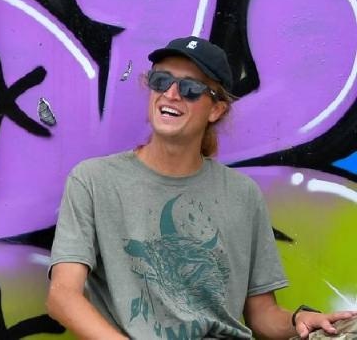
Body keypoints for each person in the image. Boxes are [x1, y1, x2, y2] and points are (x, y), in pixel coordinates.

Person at [46, 36, 356, 339]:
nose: (171, 93)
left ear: (216, 110)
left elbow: (262, 315)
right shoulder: (93, 181)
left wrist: (300, 319)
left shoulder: (243, 195)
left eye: (191, 88)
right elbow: (62, 297)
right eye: (161, 80)